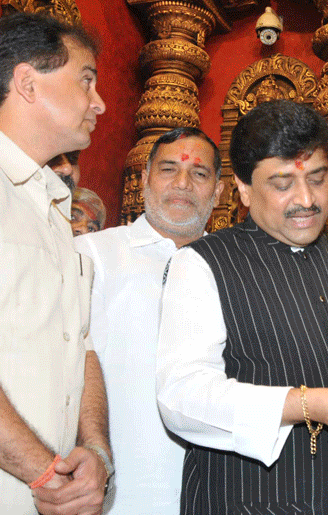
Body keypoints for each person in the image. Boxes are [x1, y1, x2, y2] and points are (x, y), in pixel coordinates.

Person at [157, 100, 328, 515]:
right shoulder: (203, 263)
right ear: (244, 188)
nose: (306, 199)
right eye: (282, 184)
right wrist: (309, 405)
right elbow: (181, 398)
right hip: (250, 499)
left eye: (318, 179)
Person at [0, 11, 110, 514]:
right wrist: (47, 473)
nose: (99, 102)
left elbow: (79, 349)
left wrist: (95, 451)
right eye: (86, 80)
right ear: (27, 83)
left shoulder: (55, 211)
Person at [75, 127, 224, 515]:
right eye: (168, 169)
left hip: (217, 491)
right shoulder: (91, 254)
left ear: (219, 192)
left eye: (199, 173)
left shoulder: (236, 273)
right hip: (112, 491)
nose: (182, 183)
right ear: (143, 179)